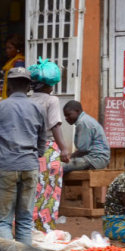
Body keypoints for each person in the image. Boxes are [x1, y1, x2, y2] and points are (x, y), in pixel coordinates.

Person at [0, 67, 46, 245]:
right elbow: (42, 141)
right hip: (29, 165)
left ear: (9, 86)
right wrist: (33, 156)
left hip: (5, 165)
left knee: (2, 221)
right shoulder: (37, 108)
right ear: (28, 87)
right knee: (25, 221)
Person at [28, 59, 71, 233]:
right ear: (51, 84)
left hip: (29, 149)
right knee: (49, 190)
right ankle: (44, 226)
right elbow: (55, 126)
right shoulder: (51, 100)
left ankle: (27, 226)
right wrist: (64, 148)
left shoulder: (28, 100)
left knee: (31, 189)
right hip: (47, 150)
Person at [62, 101, 110, 173]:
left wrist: (69, 157)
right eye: (65, 116)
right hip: (100, 159)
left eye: (69, 115)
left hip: (94, 159)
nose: (66, 118)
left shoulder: (83, 122)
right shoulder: (86, 119)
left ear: (77, 111)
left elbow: (83, 149)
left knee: (59, 167)